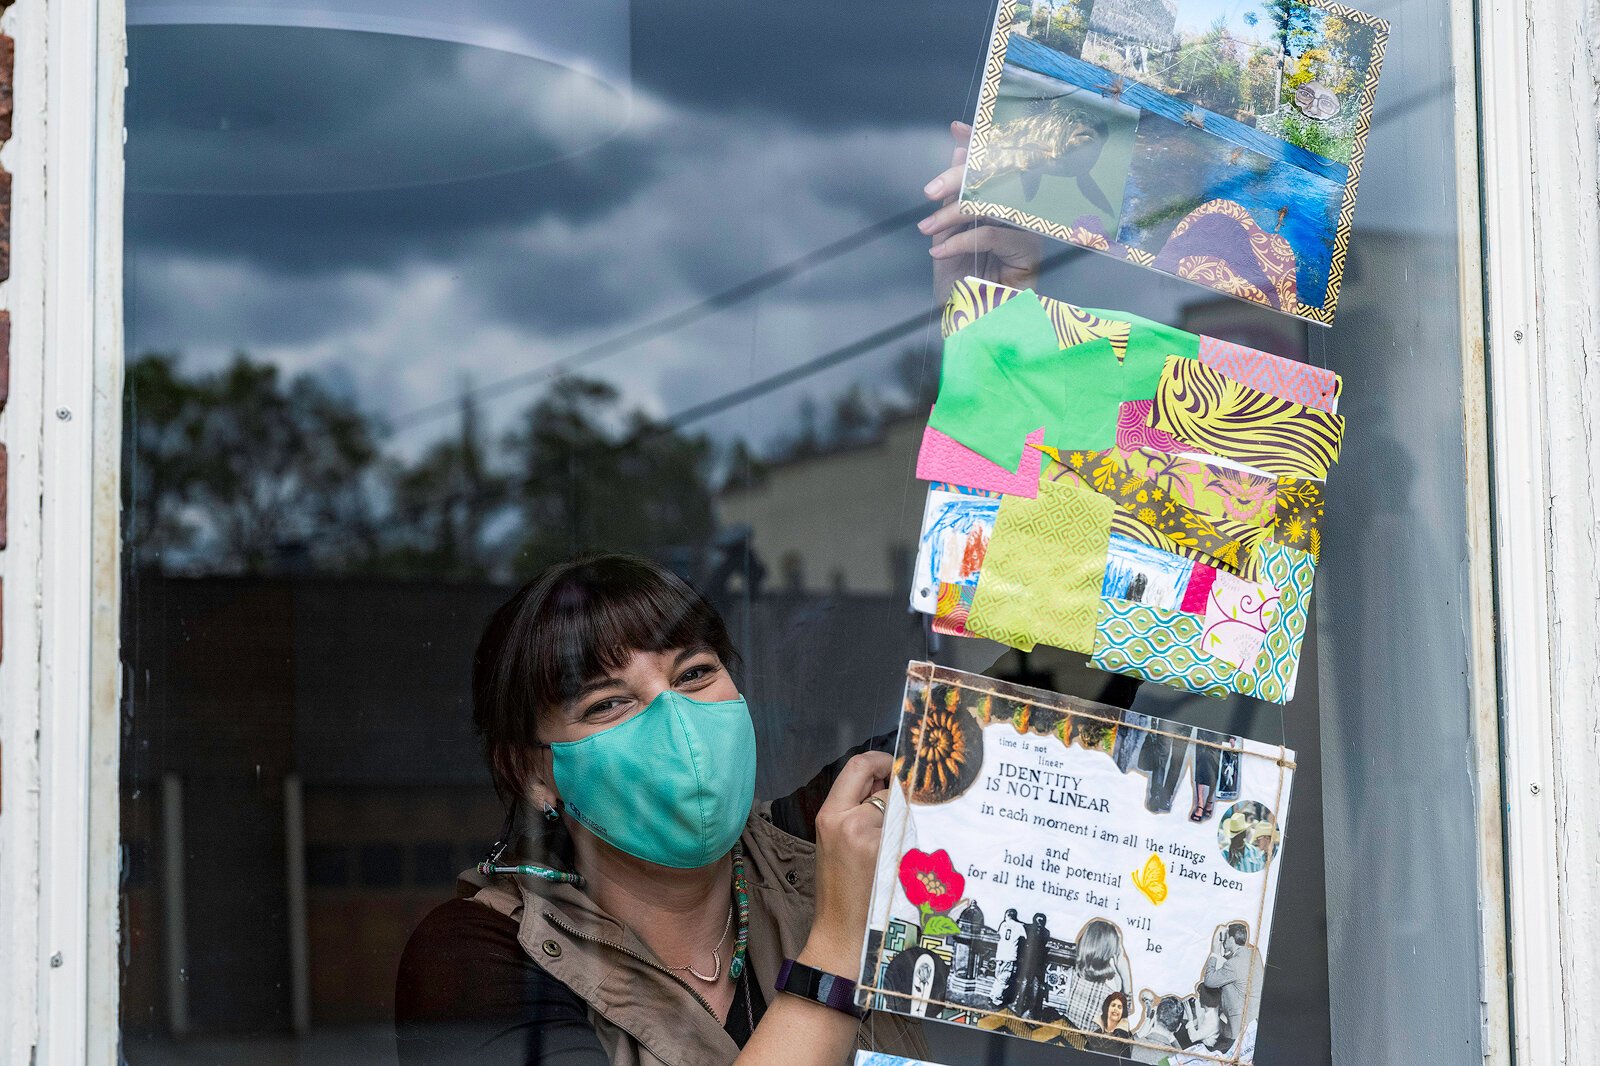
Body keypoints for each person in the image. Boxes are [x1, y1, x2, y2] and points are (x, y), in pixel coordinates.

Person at [394, 553, 929, 1065]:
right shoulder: (473, 956)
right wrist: (837, 947)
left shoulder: (819, 837)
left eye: (694, 674)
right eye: (606, 703)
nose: (677, 721)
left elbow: (995, 722)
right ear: (532, 771)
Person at [1058, 918, 1133, 1031]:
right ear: (1112, 953)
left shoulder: (1064, 977)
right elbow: (1126, 1013)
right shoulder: (1110, 997)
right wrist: (1124, 975)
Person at [1202, 922, 1265, 1047]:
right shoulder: (1254, 955)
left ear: (1231, 939)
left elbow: (1209, 981)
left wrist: (1214, 952)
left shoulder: (1232, 965)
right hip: (1253, 1022)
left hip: (1238, 1028)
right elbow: (1240, 970)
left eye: (1226, 937)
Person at [1011, 913, 1055, 1019]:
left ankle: (1022, 1007)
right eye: (1039, 921)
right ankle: (1024, 1008)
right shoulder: (1045, 932)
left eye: (1041, 921)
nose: (1040, 923)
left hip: (1033, 962)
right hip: (1035, 962)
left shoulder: (1031, 928)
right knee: (1029, 984)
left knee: (1028, 984)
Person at [990, 907, 1026, 1006]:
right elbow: (1024, 939)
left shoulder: (1003, 924)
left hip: (1000, 955)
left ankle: (993, 995)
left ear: (1006, 916)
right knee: (1004, 979)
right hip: (1010, 956)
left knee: (998, 977)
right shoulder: (1019, 926)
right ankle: (997, 1000)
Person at [1084, 990, 1133, 1057]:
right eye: (1113, 1005)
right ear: (1107, 1008)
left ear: (1122, 1012)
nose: (1116, 1009)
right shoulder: (1096, 1030)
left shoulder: (1124, 1036)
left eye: (1119, 1007)